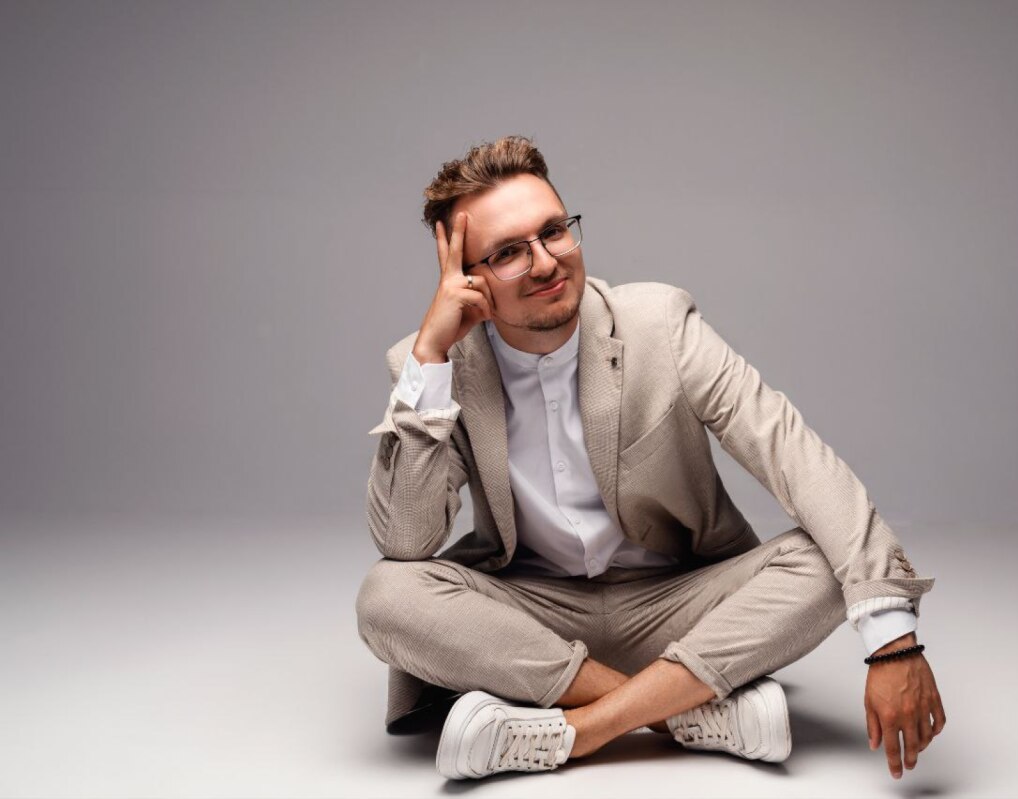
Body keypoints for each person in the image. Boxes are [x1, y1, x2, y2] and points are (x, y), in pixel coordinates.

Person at [355, 135, 946, 781]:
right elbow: (406, 541)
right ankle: (686, 711)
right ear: (465, 279)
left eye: (553, 231)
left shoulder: (658, 323)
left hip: (677, 604)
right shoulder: (434, 362)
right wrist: (431, 358)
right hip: (529, 617)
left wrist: (894, 642)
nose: (546, 262)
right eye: (508, 252)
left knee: (827, 555)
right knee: (388, 594)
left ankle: (580, 727)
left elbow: (795, 456)